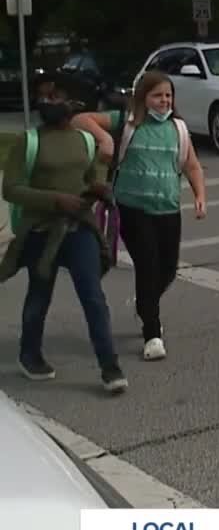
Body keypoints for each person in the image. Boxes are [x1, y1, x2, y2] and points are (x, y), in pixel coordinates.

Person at [0, 73, 127, 393]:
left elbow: (88, 175)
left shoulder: (83, 140)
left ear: (73, 104)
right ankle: (30, 354)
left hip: (79, 229)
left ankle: (109, 366)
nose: (48, 102)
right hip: (41, 232)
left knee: (93, 297)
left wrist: (97, 186)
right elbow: (11, 189)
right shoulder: (28, 142)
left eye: (55, 97)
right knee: (39, 296)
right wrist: (55, 199)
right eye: (44, 97)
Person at [72, 71, 207, 361]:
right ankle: (152, 333)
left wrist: (199, 196)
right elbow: (80, 120)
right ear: (142, 97)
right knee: (147, 265)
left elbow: (192, 165)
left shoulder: (178, 129)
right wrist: (104, 139)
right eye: (157, 95)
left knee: (167, 271)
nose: (164, 101)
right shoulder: (128, 123)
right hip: (133, 211)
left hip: (168, 210)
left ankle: (146, 305)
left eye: (168, 95)